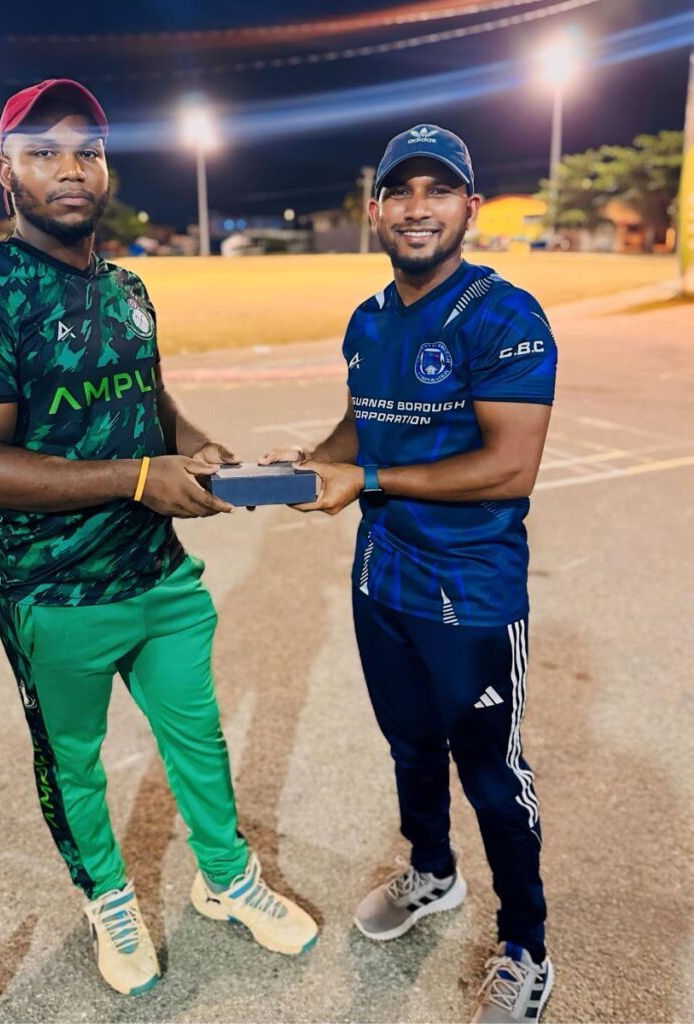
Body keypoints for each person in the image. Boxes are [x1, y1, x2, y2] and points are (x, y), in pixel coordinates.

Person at [0, 78, 317, 998]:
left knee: (199, 743)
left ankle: (227, 881)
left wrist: (195, 448)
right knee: (75, 764)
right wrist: (139, 478)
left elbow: (149, 400)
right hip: (51, 592)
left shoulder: (131, 287)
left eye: (88, 151)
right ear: (4, 172)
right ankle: (106, 896)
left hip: (157, 576)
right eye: (44, 150)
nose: (71, 167)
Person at [261, 124, 557, 1024]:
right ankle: (432, 872)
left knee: (492, 773)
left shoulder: (505, 314)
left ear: (468, 205)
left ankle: (525, 944)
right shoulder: (369, 318)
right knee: (408, 744)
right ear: (376, 208)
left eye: (437, 191)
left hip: (468, 589)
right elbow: (364, 418)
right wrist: (313, 460)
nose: (416, 208)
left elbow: (510, 466)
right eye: (400, 192)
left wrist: (370, 479)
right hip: (381, 577)